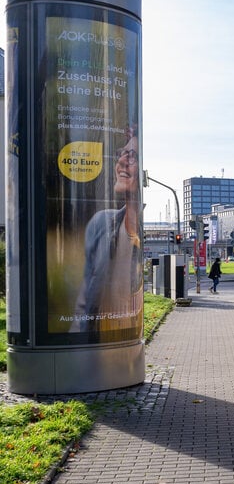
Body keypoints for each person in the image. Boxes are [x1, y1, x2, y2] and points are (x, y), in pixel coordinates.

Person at [71, 125, 143, 335]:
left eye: (133, 156)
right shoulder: (100, 223)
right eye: (121, 154)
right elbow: (82, 307)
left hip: (127, 351)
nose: (121, 161)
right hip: (94, 348)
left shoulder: (141, 229)